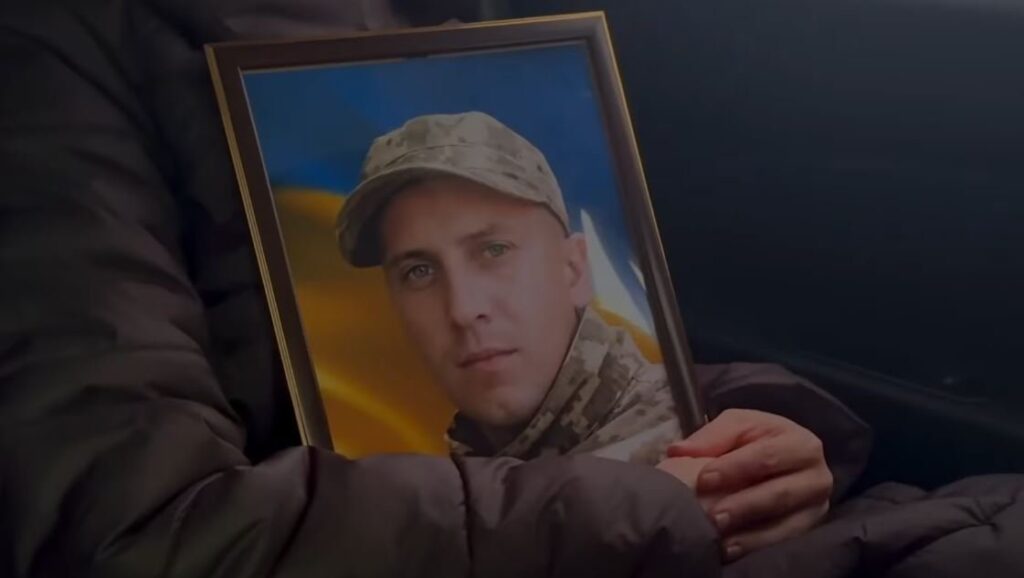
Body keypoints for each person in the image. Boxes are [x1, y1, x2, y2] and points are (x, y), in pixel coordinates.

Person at [335, 111, 855, 559]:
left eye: (494, 251)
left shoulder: (706, 448)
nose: (464, 309)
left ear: (574, 270)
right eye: (419, 272)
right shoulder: (430, 504)